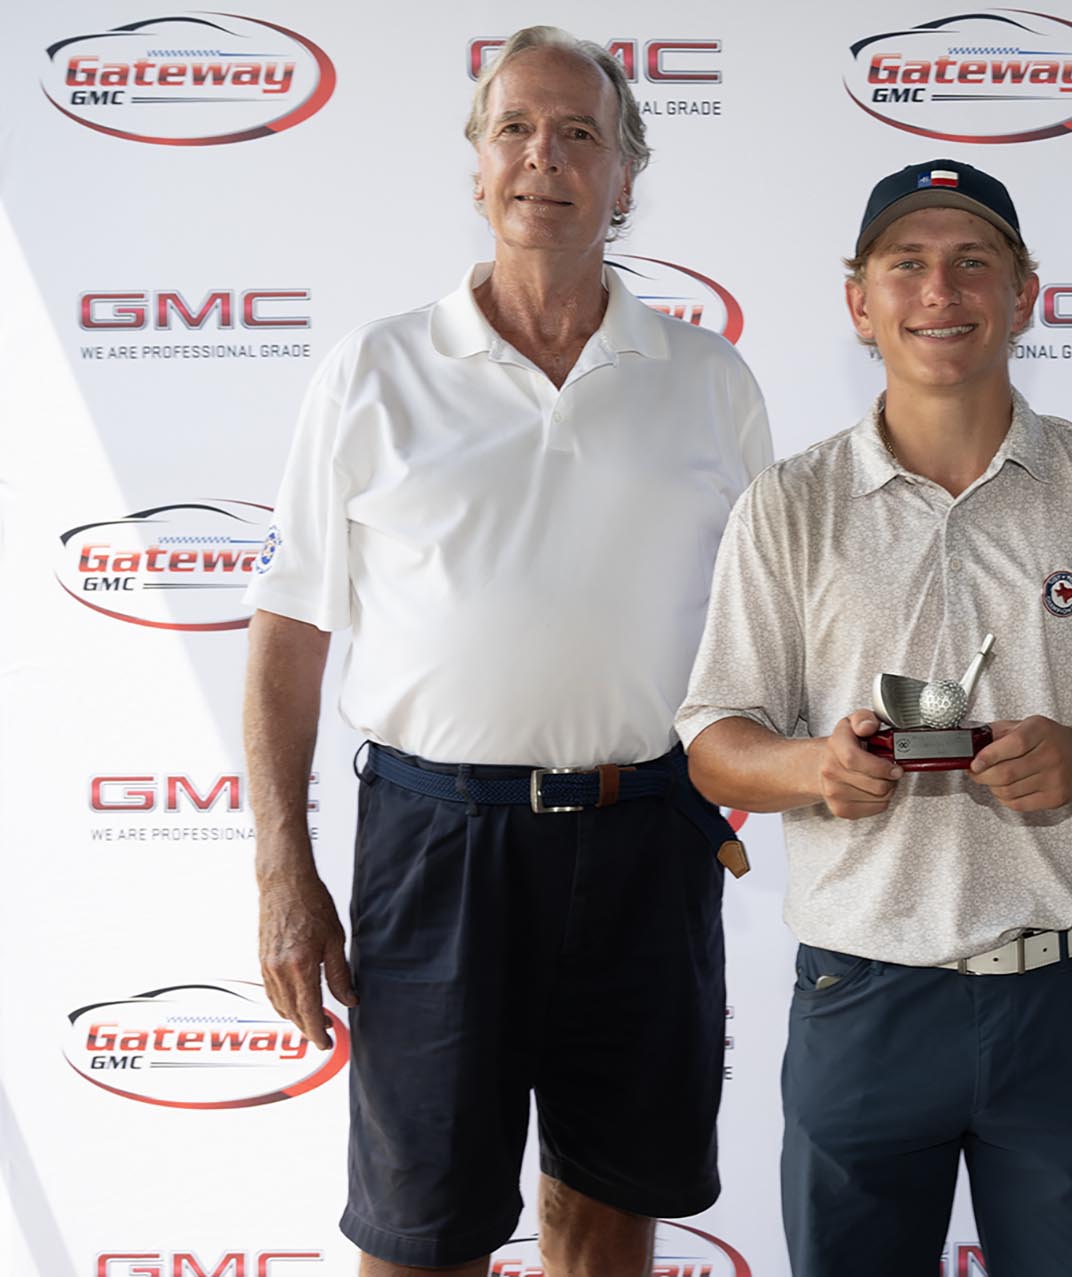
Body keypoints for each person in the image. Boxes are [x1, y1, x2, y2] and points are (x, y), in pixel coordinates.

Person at [241, 26, 770, 1277]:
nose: (546, 157)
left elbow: (769, 622)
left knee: (607, 1215)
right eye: (516, 130)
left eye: (581, 133)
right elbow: (289, 631)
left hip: (645, 836)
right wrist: (281, 868)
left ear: (626, 177)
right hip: (436, 845)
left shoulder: (709, 379)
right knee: (421, 1235)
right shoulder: (373, 371)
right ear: (477, 165)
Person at [676, 158, 1072, 1276]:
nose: (941, 290)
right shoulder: (790, 503)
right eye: (908, 264)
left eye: (974, 261)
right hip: (862, 992)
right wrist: (816, 767)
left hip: (1063, 995)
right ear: (860, 301)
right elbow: (713, 742)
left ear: (1025, 294)